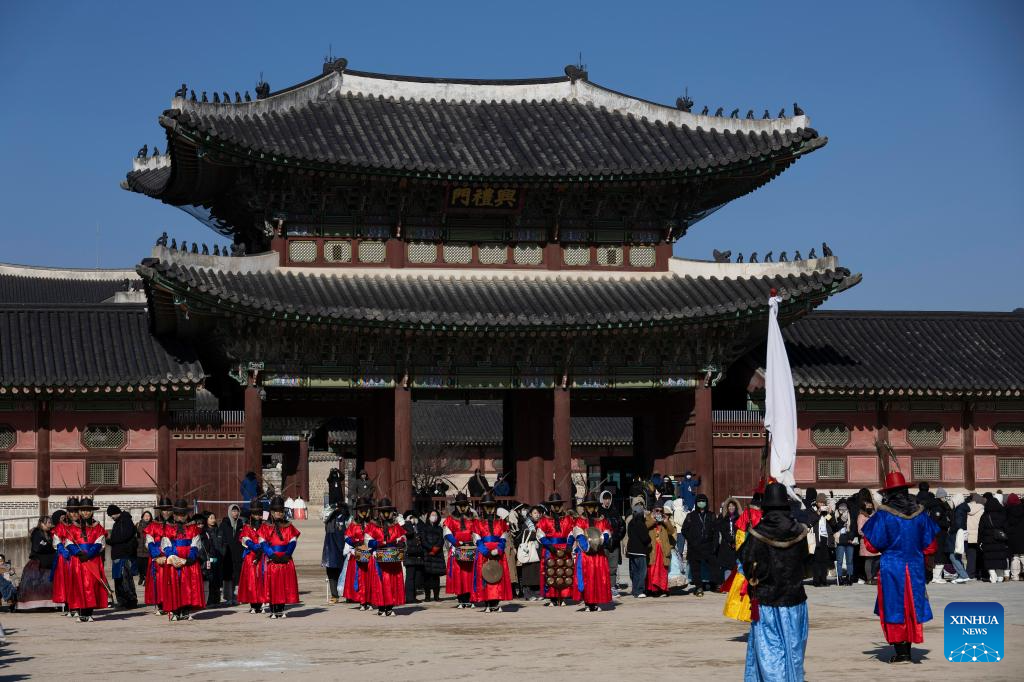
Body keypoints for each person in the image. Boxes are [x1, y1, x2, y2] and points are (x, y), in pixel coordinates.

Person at [861, 472, 940, 664]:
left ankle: (901, 651)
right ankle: (908, 651)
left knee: (894, 607)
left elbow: (871, 545)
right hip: (914, 566)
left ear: (889, 493)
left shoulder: (884, 515)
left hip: (892, 566)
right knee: (911, 605)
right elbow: (930, 546)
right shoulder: (921, 514)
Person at [740, 482, 810, 682]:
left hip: (768, 602)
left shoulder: (758, 533)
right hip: (796, 600)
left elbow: (747, 562)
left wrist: (757, 577)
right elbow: (805, 565)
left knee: (770, 653)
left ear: (766, 506)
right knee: (794, 651)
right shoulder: (800, 531)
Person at [63, 497, 109, 623]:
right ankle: (80, 612)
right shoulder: (72, 527)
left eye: (88, 510)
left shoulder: (97, 526)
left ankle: (89, 612)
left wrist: (89, 554)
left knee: (92, 585)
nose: (86, 513)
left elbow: (100, 542)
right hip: (78, 560)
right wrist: (77, 552)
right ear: (80, 512)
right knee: (78, 585)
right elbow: (68, 542)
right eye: (83, 510)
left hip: (92, 559)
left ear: (92, 512)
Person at [723, 484, 765, 622]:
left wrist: (741, 553)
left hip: (746, 552)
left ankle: (742, 611)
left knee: (744, 579)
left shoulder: (746, 513)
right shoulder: (764, 515)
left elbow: (739, 536)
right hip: (760, 552)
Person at [160, 499, 205, 621]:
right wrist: (173, 558)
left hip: (188, 562)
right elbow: (166, 545)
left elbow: (196, 545)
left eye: (183, 515)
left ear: (187, 515)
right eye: (178, 515)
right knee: (174, 585)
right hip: (174, 561)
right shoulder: (168, 528)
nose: (181, 517)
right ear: (174, 515)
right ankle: (175, 611)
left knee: (187, 587)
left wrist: (188, 559)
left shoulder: (193, 528)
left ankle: (185, 610)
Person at [260, 496, 301, 618]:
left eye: (281, 511)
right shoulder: (266, 526)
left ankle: (281, 609)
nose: (279, 513)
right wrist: (271, 554)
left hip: (285, 560)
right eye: (276, 511)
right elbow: (262, 542)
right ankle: (273, 609)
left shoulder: (289, 526)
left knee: (284, 584)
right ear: (272, 512)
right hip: (272, 560)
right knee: (273, 585)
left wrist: (287, 554)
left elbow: (293, 541)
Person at [471, 493, 512, 612]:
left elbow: (504, 537)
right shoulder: (477, 523)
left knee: (497, 577)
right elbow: (477, 539)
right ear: (483, 508)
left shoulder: (501, 522)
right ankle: (487, 602)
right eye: (486, 506)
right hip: (483, 553)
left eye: (491, 506)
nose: (489, 509)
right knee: (484, 577)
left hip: (498, 552)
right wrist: (486, 552)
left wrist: (498, 550)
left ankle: (496, 602)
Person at [571, 492, 612, 612]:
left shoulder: (602, 520)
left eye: (592, 506)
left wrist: (601, 541)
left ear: (596, 506)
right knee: (587, 579)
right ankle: (588, 602)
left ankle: (595, 602)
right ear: (584, 507)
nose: (590, 509)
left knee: (598, 578)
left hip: (598, 555)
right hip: (586, 555)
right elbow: (579, 535)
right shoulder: (580, 521)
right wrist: (588, 547)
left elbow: (606, 532)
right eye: (588, 506)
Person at [536, 492, 577, 607]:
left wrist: (569, 545)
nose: (557, 507)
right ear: (551, 506)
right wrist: (549, 546)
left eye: (558, 504)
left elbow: (571, 532)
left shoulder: (568, 519)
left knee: (565, 571)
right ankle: (552, 597)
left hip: (565, 548)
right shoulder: (544, 520)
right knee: (551, 572)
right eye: (554, 504)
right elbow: (540, 534)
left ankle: (563, 597)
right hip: (550, 549)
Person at [368, 497, 406, 616]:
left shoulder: (395, 525)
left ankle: (390, 606)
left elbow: (403, 538)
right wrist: (379, 543)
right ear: (379, 512)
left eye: (388, 511)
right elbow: (368, 542)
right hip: (379, 558)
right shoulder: (373, 525)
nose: (386, 514)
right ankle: (381, 606)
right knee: (380, 582)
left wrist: (400, 542)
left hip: (393, 558)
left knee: (392, 582)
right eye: (383, 511)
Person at [343, 497, 379, 610]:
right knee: (361, 578)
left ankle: (371, 600)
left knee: (371, 578)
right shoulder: (353, 525)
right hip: (358, 553)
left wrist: (374, 545)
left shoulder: (373, 524)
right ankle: (362, 601)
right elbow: (347, 537)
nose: (364, 512)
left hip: (371, 554)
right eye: (361, 509)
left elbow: (379, 537)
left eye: (366, 509)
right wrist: (355, 543)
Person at [443, 493, 477, 608]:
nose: (462, 507)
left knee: (470, 574)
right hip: (457, 548)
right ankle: (461, 599)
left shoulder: (472, 518)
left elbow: (477, 532)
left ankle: (470, 598)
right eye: (460, 505)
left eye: (464, 505)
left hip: (471, 548)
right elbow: (447, 533)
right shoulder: (450, 519)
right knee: (459, 574)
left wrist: (475, 543)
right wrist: (456, 543)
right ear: (457, 506)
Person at [20, 514, 57, 610]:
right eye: (48, 523)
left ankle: (49, 604)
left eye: (50, 523)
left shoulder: (49, 534)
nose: (50, 525)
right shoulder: (37, 533)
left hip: (48, 561)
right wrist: (50, 549)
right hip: (38, 562)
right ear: (41, 523)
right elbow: (38, 547)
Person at [143, 498, 174, 614]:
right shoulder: (153, 524)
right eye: (163, 510)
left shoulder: (175, 524)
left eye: (168, 510)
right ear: (160, 511)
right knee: (159, 581)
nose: (165, 512)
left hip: (171, 555)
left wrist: (169, 555)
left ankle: (171, 604)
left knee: (171, 581)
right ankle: (161, 605)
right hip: (157, 557)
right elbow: (149, 541)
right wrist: (157, 555)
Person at [681, 493, 715, 596]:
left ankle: (715, 584)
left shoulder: (711, 515)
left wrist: (713, 542)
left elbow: (716, 530)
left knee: (713, 565)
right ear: (696, 503)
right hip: (694, 546)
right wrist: (692, 540)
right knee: (695, 568)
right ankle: (699, 587)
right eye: (699, 501)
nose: (701, 503)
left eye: (703, 501)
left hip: (707, 546)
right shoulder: (691, 515)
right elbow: (684, 530)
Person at [106, 505, 139, 609]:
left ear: (116, 512)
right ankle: (122, 601)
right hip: (117, 554)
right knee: (118, 579)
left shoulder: (126, 521)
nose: (111, 517)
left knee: (125, 579)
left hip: (124, 554)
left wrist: (110, 541)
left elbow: (124, 536)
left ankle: (131, 601)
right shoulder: (118, 522)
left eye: (112, 515)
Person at [238, 501, 268, 614]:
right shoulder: (247, 527)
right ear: (251, 514)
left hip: (262, 556)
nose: (257, 516)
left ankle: (260, 603)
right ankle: (253, 603)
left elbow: (267, 538)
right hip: (250, 556)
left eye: (259, 514)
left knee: (261, 579)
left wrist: (261, 548)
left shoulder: (265, 526)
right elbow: (244, 539)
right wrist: (254, 547)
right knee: (251, 581)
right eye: (255, 514)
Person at [645, 499, 676, 597]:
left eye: (660, 511)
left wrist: (666, 522)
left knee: (662, 570)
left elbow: (671, 531)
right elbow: (644, 527)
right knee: (652, 570)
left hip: (663, 548)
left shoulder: (664, 519)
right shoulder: (648, 517)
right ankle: (653, 590)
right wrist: (653, 520)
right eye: (657, 510)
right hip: (653, 549)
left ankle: (663, 589)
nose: (659, 513)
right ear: (653, 510)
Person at [322, 503, 349, 603]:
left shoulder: (341, 517)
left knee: (343, 571)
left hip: (337, 547)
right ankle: (336, 595)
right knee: (335, 571)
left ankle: (341, 595)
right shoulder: (333, 516)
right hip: (334, 547)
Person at [979, 494, 1009, 583]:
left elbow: (981, 530)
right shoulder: (1003, 516)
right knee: (1000, 558)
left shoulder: (984, 516)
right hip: (1000, 541)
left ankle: (993, 575)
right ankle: (1000, 577)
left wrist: (979, 541)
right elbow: (1006, 528)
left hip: (988, 541)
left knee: (989, 559)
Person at [600, 490, 625, 596]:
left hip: (614, 544)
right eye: (605, 499)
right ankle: (603, 586)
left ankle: (612, 586)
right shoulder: (599, 512)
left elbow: (622, 527)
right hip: (603, 545)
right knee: (602, 566)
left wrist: (617, 537)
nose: (607, 501)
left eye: (608, 498)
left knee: (613, 567)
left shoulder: (615, 511)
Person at [197, 511, 224, 605]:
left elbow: (215, 547)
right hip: (202, 561)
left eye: (214, 518)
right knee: (207, 581)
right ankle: (207, 601)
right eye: (211, 518)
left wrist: (215, 558)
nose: (213, 520)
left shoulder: (218, 530)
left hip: (214, 558)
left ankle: (216, 600)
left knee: (215, 578)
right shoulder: (204, 532)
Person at [808, 493, 836, 587]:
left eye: (823, 503)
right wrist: (818, 513)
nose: (822, 504)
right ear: (817, 502)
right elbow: (810, 522)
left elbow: (833, 524)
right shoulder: (812, 510)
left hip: (825, 538)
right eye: (820, 502)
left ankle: (824, 580)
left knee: (824, 560)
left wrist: (830, 513)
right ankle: (816, 581)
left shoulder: (827, 512)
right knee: (816, 560)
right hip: (816, 538)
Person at [625, 497, 651, 598]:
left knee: (634, 572)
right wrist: (649, 542)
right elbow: (645, 538)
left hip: (631, 550)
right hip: (640, 551)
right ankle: (640, 590)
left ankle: (635, 590)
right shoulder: (641, 524)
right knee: (642, 572)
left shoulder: (631, 523)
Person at [219, 504, 244, 605]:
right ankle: (227, 597)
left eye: (237, 511)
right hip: (227, 553)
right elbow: (221, 539)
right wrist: (223, 550)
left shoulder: (241, 524)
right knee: (228, 576)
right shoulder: (224, 524)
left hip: (238, 553)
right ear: (230, 512)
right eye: (233, 511)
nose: (235, 513)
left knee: (237, 575)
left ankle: (237, 596)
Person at [420, 510, 446, 602]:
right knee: (427, 576)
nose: (433, 517)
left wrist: (436, 549)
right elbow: (423, 541)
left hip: (437, 554)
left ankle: (436, 596)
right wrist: (430, 548)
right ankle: (427, 596)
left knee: (436, 577)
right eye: (432, 515)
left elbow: (441, 540)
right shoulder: (424, 528)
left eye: (435, 515)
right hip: (427, 554)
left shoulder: (439, 528)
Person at [716, 497, 742, 586]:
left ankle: (734, 584)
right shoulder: (722, 517)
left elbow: (741, 530)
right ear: (727, 507)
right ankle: (726, 583)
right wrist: (729, 540)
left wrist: (735, 541)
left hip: (736, 544)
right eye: (729, 506)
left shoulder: (739, 517)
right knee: (725, 565)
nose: (731, 508)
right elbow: (722, 529)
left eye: (733, 506)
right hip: (725, 544)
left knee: (735, 565)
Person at [402, 509, 425, 604]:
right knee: (410, 578)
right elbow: (409, 534)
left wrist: (417, 523)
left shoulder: (417, 527)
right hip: (409, 555)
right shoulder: (405, 526)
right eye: (410, 517)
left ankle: (414, 596)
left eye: (413, 517)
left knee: (417, 578)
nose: (413, 519)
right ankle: (409, 597)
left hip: (418, 555)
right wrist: (408, 522)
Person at [833, 501, 858, 585]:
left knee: (849, 561)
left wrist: (851, 537)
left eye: (845, 508)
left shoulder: (851, 516)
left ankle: (849, 577)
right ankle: (839, 578)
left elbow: (854, 528)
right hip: (840, 540)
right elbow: (835, 527)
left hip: (849, 540)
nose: (843, 510)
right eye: (841, 508)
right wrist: (842, 520)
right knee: (839, 561)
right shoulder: (836, 516)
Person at [947, 493, 970, 582]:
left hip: (956, 534)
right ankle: (961, 575)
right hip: (960, 534)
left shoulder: (959, 509)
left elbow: (958, 524)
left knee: (953, 556)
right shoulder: (962, 508)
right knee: (957, 555)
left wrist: (951, 529)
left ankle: (963, 575)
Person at [857, 499, 879, 584]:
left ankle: (873, 575)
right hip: (866, 540)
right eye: (868, 506)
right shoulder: (861, 516)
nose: (870, 507)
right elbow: (860, 530)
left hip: (874, 540)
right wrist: (869, 533)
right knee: (869, 559)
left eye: (871, 506)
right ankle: (869, 578)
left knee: (877, 558)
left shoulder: (874, 515)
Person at [965, 493, 985, 579]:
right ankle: (980, 572)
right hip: (978, 535)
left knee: (970, 555)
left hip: (969, 535)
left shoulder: (965, 508)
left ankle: (970, 573)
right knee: (980, 554)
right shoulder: (981, 509)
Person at [1006, 493, 1024, 581]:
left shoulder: (1007, 510)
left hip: (1012, 536)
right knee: (1023, 555)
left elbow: (1005, 524)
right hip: (1022, 535)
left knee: (1015, 557)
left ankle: (1015, 576)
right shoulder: (1022, 509)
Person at [135, 510, 152, 588]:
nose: (147, 517)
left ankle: (146, 579)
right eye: (145, 516)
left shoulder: (152, 525)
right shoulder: (138, 525)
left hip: (147, 550)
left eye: (148, 516)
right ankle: (141, 576)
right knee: (139, 566)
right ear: (142, 517)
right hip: (138, 549)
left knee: (146, 567)